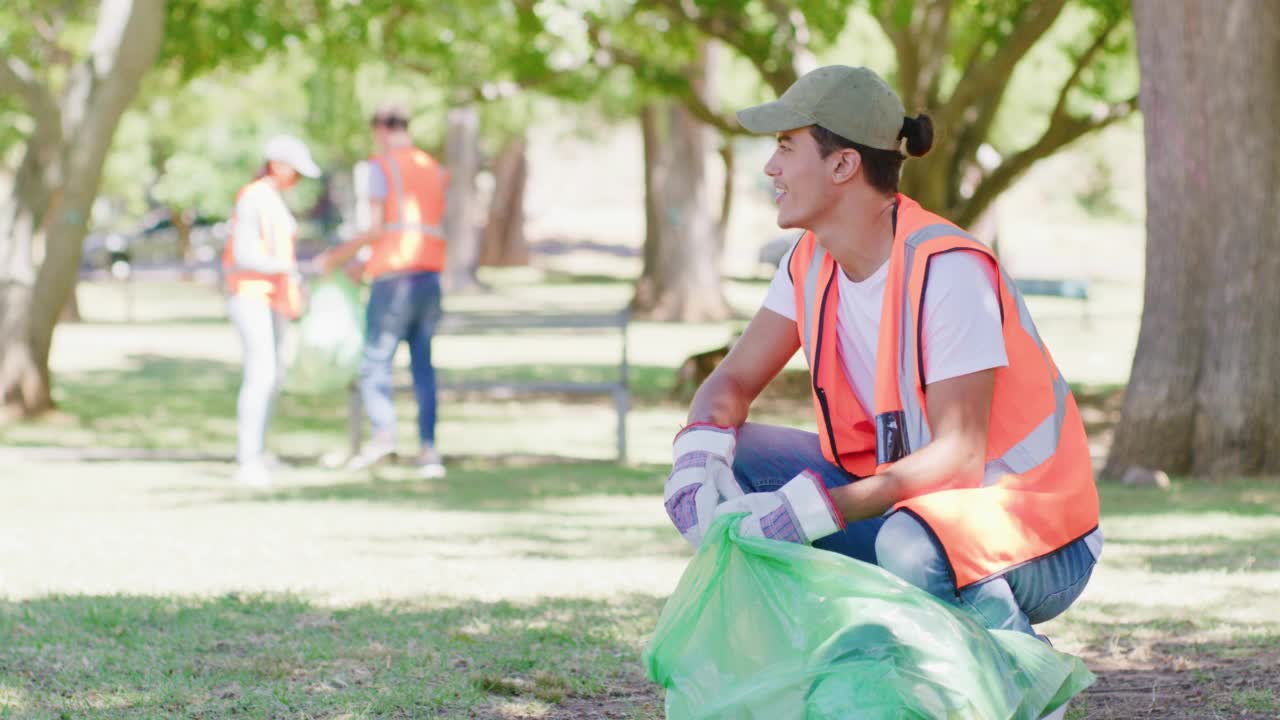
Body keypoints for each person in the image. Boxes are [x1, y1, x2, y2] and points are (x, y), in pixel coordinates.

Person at [665, 66, 1102, 661]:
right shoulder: (809, 261)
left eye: (786, 148)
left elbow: (959, 455)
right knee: (736, 455)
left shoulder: (947, 270)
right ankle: (847, 656)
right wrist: (697, 456)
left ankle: (1019, 669)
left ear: (843, 165)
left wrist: (813, 509)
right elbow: (733, 382)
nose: (771, 168)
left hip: (1038, 534)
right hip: (914, 510)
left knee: (907, 546)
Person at [318, 105, 449, 478]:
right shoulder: (432, 168)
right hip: (429, 275)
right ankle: (428, 450)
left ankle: (384, 435)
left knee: (376, 360)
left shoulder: (383, 167)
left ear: (379, 129)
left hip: (393, 279)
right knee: (423, 366)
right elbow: (416, 225)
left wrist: (337, 258)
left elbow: (378, 228)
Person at [223, 134, 322, 488]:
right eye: (294, 171)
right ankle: (247, 460)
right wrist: (285, 269)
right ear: (277, 165)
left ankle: (259, 453)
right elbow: (244, 254)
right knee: (261, 374)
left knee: (273, 375)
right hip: (252, 296)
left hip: (274, 298)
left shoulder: (273, 200)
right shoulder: (254, 198)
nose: (296, 180)